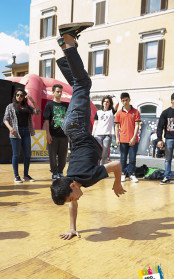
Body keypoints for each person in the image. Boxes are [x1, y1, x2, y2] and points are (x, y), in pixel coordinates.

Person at [50, 22, 126, 240]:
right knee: (79, 83)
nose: (75, 200)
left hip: (78, 126)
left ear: (72, 187)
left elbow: (117, 164)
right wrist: (73, 227)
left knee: (84, 82)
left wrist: (117, 182)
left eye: (71, 197)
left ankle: (67, 42)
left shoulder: (89, 178)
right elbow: (72, 204)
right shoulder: (70, 179)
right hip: (72, 128)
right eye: (71, 200)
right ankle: (65, 46)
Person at [3, 88, 41, 183]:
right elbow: (5, 119)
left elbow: (38, 111)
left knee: (28, 154)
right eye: (17, 95)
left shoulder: (27, 107)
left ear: (24, 97)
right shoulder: (10, 106)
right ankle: (16, 176)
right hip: (16, 132)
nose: (19, 97)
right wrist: (10, 128)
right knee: (16, 155)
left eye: (21, 95)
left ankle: (26, 175)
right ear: (15, 96)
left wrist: (32, 100)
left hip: (26, 131)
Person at [43, 84, 68, 180]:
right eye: (58, 91)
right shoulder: (49, 105)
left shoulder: (65, 105)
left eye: (61, 91)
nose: (60, 93)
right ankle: (54, 172)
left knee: (63, 156)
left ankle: (60, 171)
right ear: (53, 92)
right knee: (52, 155)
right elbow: (46, 120)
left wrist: (68, 134)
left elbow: (67, 120)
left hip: (64, 135)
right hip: (53, 134)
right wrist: (48, 134)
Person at [114, 92, 141, 183]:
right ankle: (123, 174)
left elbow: (137, 125)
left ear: (129, 100)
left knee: (132, 158)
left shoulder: (136, 112)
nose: (125, 102)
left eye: (126, 100)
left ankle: (132, 174)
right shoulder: (118, 113)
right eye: (123, 101)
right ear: (121, 101)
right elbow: (117, 127)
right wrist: (117, 138)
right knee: (123, 158)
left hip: (133, 140)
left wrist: (133, 138)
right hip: (123, 139)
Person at [92, 95, 119, 164]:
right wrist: (92, 134)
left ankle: (102, 168)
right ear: (102, 103)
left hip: (107, 135)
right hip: (98, 134)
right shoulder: (98, 112)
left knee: (104, 154)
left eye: (107, 102)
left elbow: (117, 103)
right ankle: (95, 166)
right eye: (104, 101)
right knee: (96, 151)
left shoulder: (111, 112)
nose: (106, 103)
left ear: (109, 103)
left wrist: (113, 97)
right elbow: (95, 123)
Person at [157, 93, 174, 184]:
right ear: (172, 100)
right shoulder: (166, 112)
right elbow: (160, 127)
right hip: (169, 138)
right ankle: (166, 177)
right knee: (168, 159)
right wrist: (159, 139)